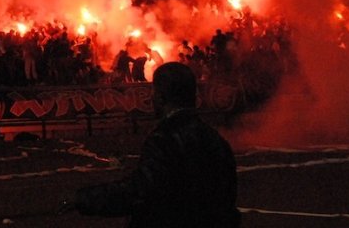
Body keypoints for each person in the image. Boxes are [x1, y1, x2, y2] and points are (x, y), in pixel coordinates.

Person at [69, 62, 239, 227]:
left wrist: (86, 199)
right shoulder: (214, 138)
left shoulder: (164, 139)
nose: (151, 97)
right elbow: (227, 195)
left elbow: (142, 191)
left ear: (160, 96)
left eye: (154, 91)